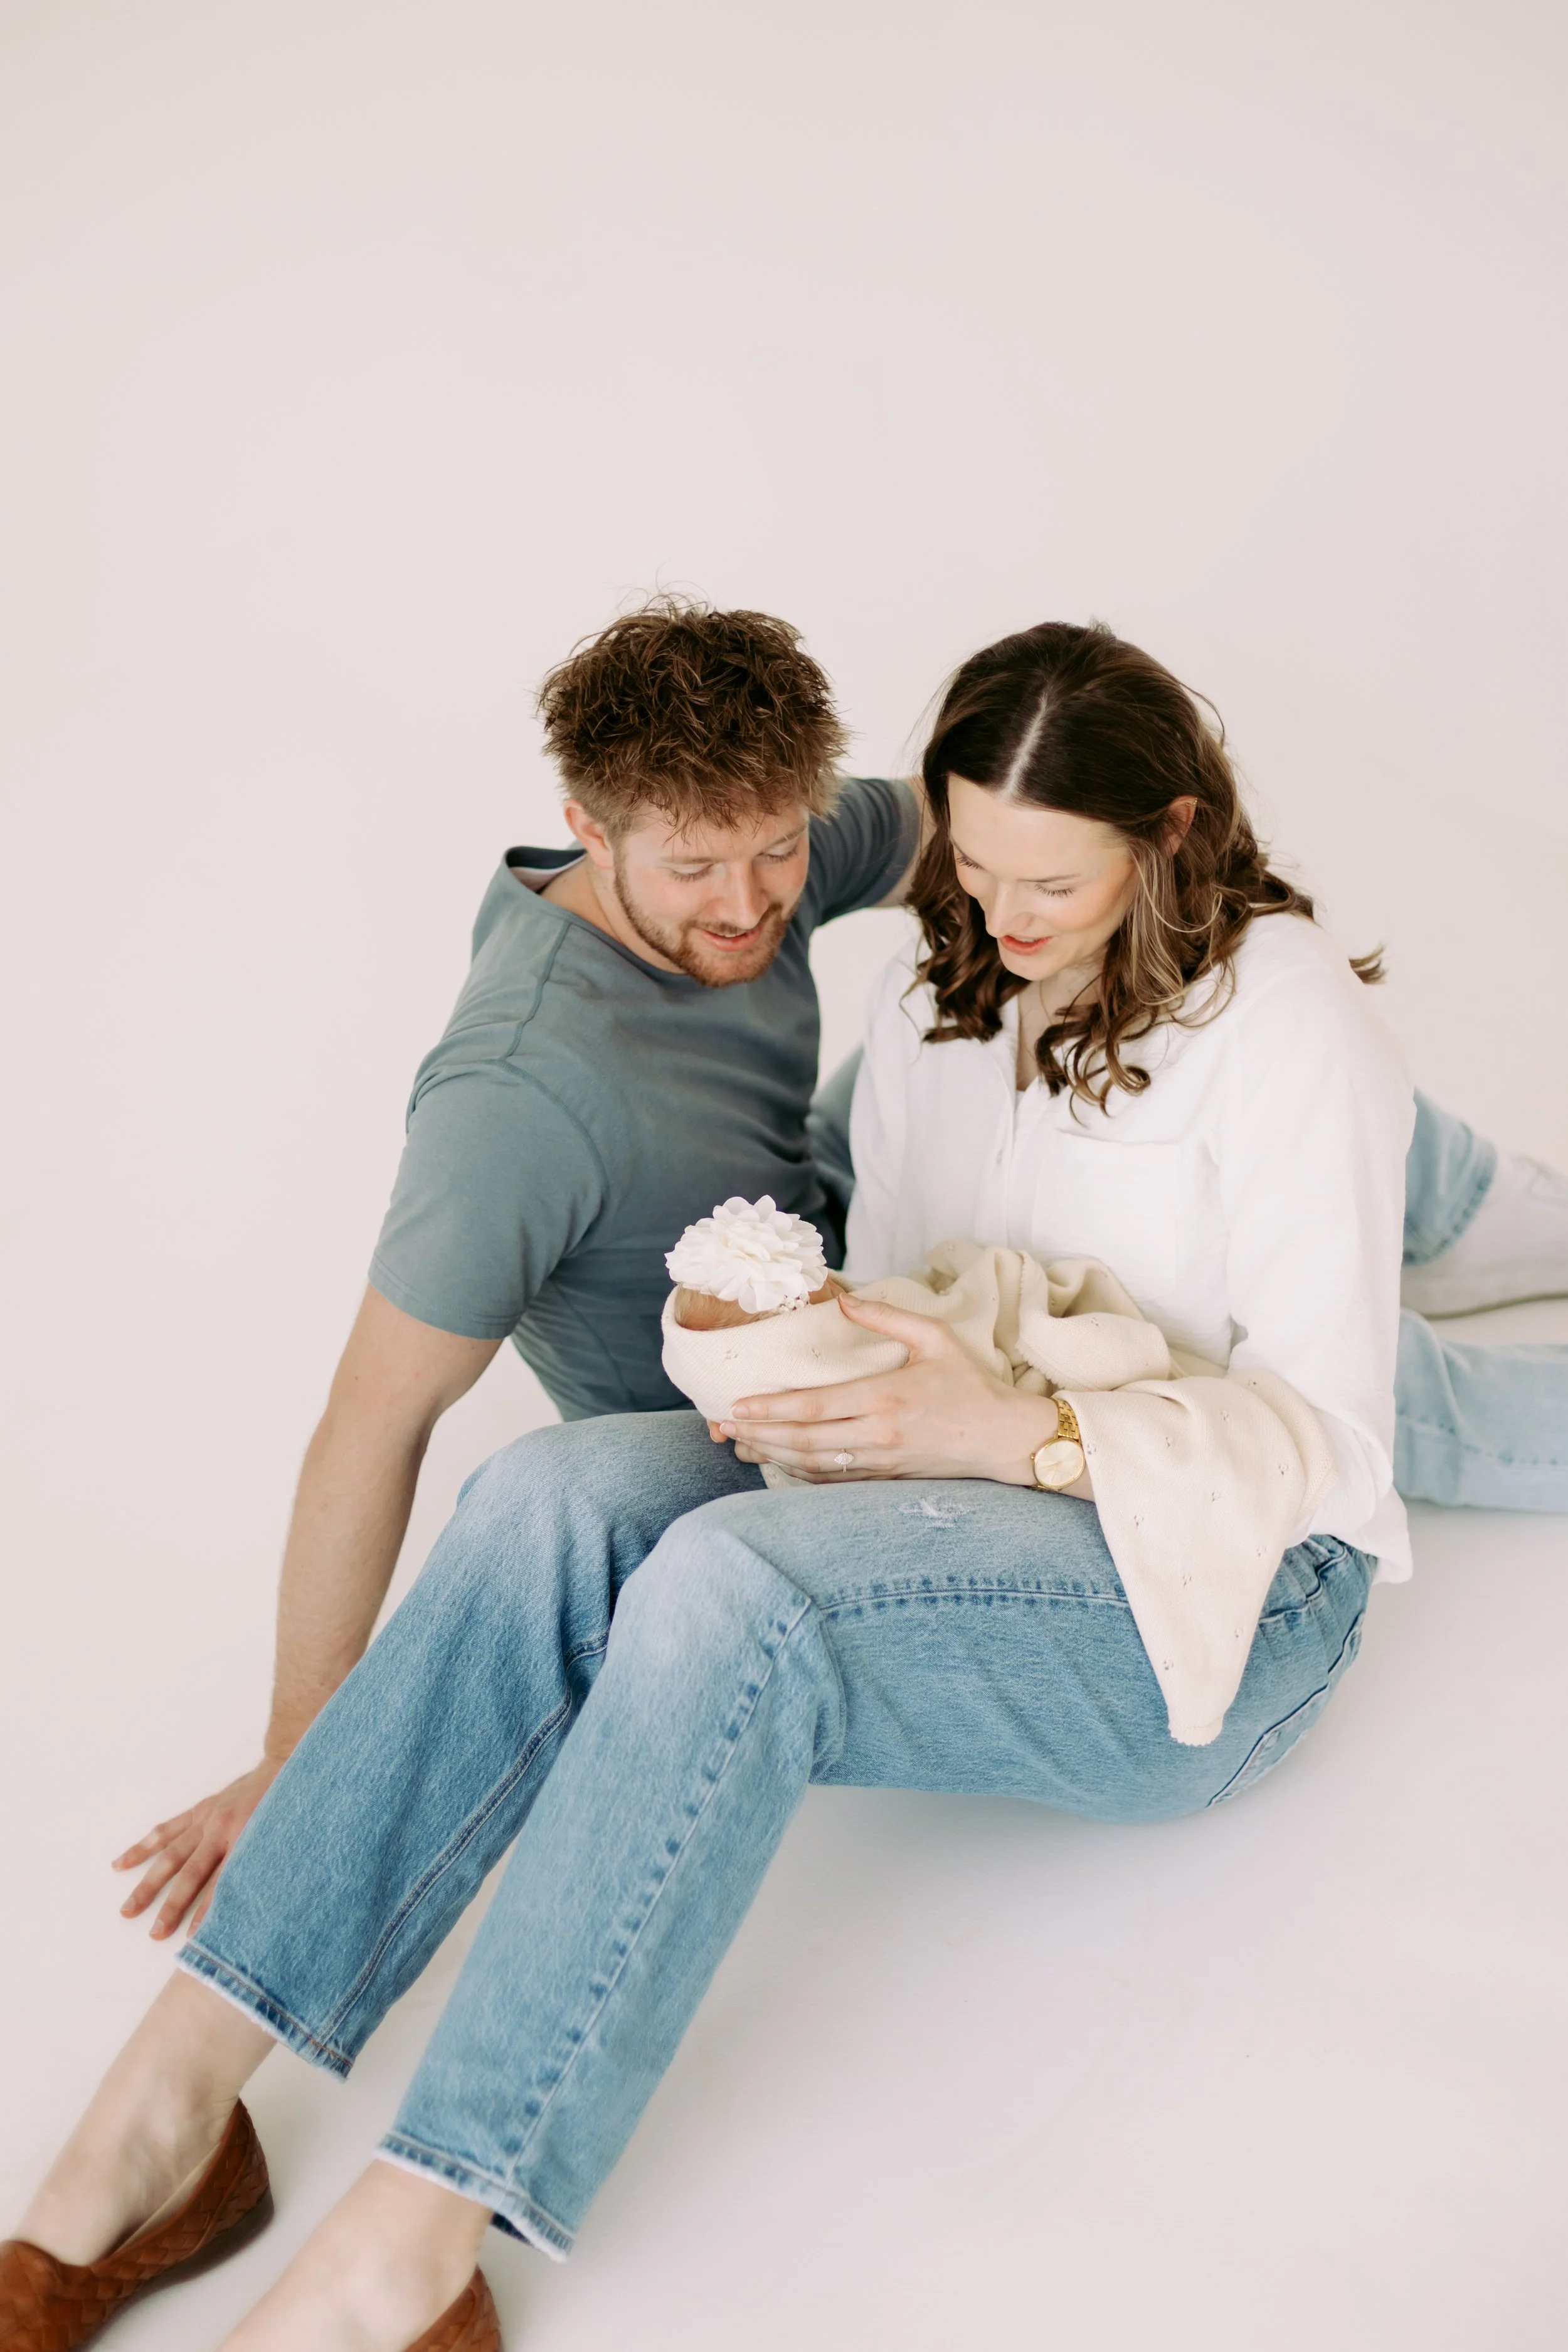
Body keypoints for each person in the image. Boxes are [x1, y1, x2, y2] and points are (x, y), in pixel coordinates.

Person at [6, 618, 1564, 2352]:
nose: (997, 913)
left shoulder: (1289, 1031)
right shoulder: (940, 976)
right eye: (964, 868)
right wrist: (777, 1343)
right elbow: (892, 1270)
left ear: (1174, 833)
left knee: (737, 1596)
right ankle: (174, 2101)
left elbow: (1335, 1456)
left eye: (1046, 876)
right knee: (542, 1500)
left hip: (1221, 1569)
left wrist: (1006, 1433)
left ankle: (407, 2248)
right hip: (983, 1444)